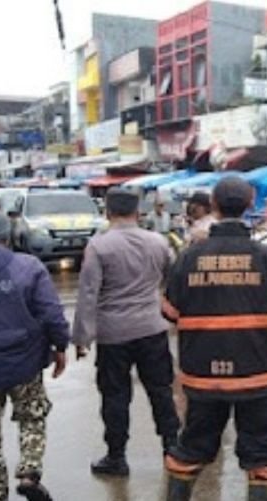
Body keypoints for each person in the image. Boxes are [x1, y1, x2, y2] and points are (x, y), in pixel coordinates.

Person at [163, 177, 267, 501]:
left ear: (213, 206)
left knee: (190, 450)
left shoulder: (188, 257)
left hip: (202, 377)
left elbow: (169, 312)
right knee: (261, 454)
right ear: (250, 204)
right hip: (256, 375)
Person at [72, 188, 180, 477]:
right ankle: (173, 448)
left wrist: (82, 338)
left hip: (113, 334)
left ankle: (116, 457)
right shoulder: (158, 241)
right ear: (138, 212)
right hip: (152, 327)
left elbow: (88, 293)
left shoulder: (99, 246)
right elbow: (173, 279)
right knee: (161, 391)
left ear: (107, 212)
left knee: (115, 396)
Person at [0, 210, 70, 501]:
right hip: (25, 362)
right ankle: (29, 473)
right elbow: (51, 314)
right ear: (9, 236)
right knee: (32, 417)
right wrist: (61, 346)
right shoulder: (27, 266)